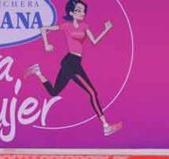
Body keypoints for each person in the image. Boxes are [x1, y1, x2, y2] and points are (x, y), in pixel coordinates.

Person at [26, 0, 123, 137]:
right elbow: (44, 28)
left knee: (54, 92)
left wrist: (106, 29)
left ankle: (37, 72)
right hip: (70, 62)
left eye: (83, 10)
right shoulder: (66, 26)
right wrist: (46, 45)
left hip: (74, 62)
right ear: (71, 12)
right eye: (78, 10)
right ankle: (105, 125)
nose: (82, 13)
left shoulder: (85, 26)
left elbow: (94, 41)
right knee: (92, 92)